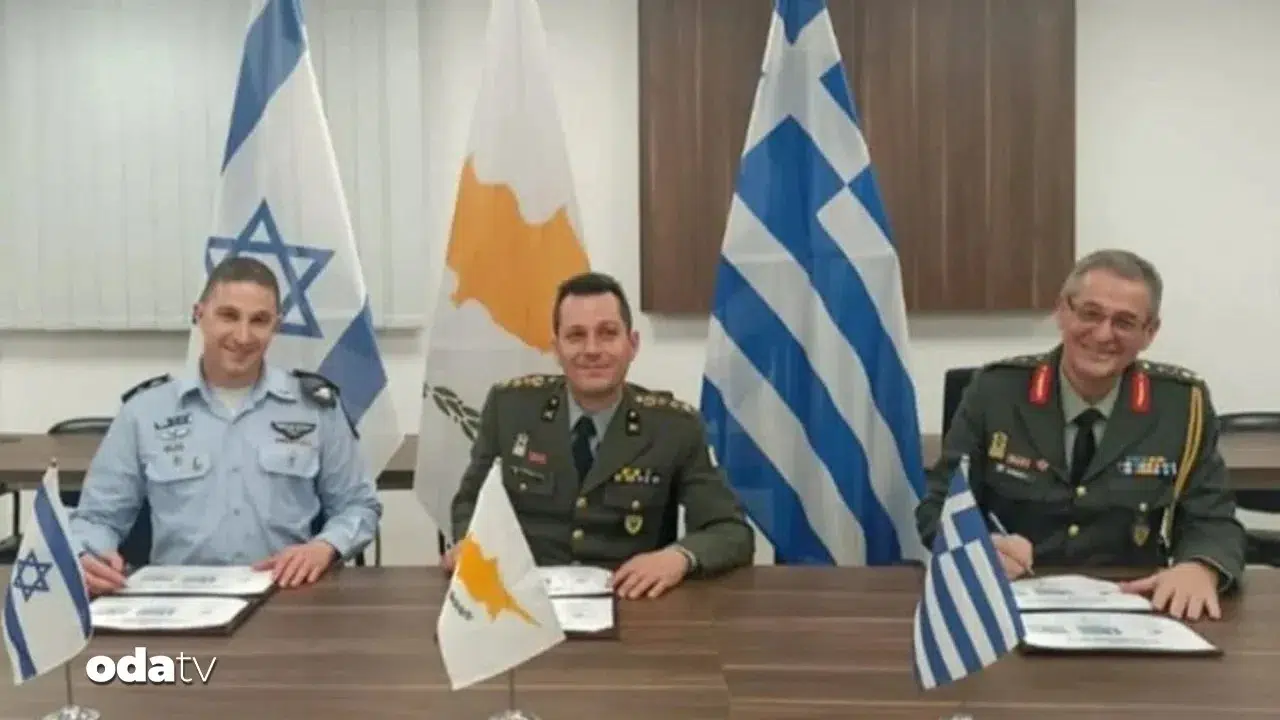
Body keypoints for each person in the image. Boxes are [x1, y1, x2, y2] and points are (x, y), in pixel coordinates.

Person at [916, 249, 1245, 622]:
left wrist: (1201, 566)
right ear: (1062, 311)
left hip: (1133, 607)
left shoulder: (1181, 405)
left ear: (1149, 333)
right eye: (1090, 313)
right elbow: (939, 504)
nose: (1103, 334)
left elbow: (1213, 518)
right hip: (1006, 603)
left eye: (1125, 322)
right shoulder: (995, 392)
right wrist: (976, 547)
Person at [70, 256, 382, 595]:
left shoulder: (315, 408)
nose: (243, 336)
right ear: (199, 314)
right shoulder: (145, 411)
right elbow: (96, 518)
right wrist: (88, 556)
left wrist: (325, 546)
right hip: (178, 599)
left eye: (259, 320)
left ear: (276, 325)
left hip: (286, 594)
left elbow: (358, 505)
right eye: (229, 316)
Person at [444, 271, 754, 599]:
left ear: (632, 345)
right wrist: (469, 544)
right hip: (527, 601)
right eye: (576, 335)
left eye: (608, 334)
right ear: (556, 348)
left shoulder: (674, 426)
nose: (592, 349)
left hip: (632, 600)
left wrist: (678, 557)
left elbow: (731, 530)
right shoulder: (510, 409)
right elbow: (470, 502)